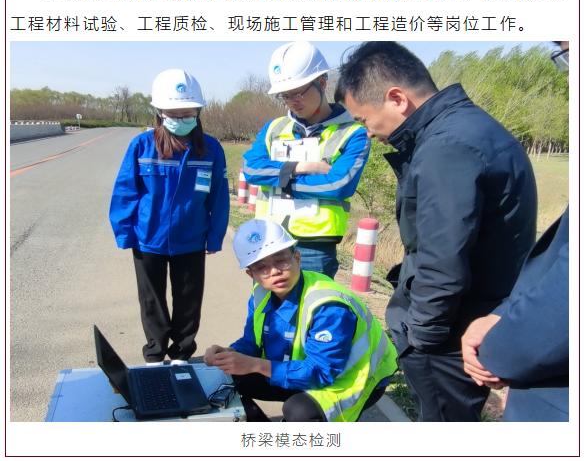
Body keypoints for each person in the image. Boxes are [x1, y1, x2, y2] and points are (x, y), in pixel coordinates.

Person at [336, 41, 538, 421]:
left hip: (448, 337)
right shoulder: (471, 128)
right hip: (471, 317)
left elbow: (441, 261)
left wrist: (420, 341)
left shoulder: (446, 149)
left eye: (364, 120)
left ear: (396, 98)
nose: (368, 133)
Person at [461, 41, 569, 422]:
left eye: (569, 51)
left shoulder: (451, 144)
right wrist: (503, 318)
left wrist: (496, 350)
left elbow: (564, 302)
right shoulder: (474, 130)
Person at [204, 219, 398, 422]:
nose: (274, 272)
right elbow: (251, 342)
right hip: (305, 368)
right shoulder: (261, 294)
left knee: (300, 411)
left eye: (281, 261)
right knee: (229, 374)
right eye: (262, 268)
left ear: (297, 258)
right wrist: (229, 354)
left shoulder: (328, 306)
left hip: (351, 377)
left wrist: (256, 365)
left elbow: (321, 373)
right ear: (251, 274)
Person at [109, 68, 229, 364]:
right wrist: (125, 232)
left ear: (198, 112)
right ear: (160, 113)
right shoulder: (142, 146)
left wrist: (215, 236)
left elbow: (219, 196)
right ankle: (154, 352)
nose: (181, 118)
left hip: (191, 238)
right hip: (148, 237)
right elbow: (126, 190)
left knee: (189, 299)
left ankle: (181, 353)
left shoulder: (210, 149)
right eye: (173, 113)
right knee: (152, 300)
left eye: (187, 112)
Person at [242, 41, 370, 279]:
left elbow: (338, 185)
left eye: (298, 92)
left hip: (315, 247)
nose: (293, 101)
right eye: (285, 95)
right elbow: (251, 170)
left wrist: (280, 181)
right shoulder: (274, 128)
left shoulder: (353, 133)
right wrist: (299, 167)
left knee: (314, 303)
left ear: (322, 82)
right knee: (267, 304)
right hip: (270, 240)